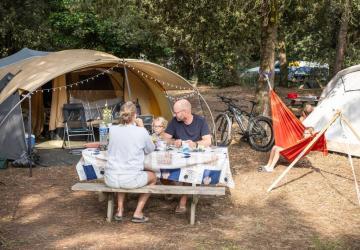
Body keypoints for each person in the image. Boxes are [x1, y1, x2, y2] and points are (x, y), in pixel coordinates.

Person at [104, 101, 157, 223]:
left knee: (121, 170)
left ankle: (120, 210)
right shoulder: (141, 131)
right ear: (135, 115)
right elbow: (150, 149)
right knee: (153, 177)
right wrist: (142, 127)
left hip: (110, 178)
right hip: (130, 179)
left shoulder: (112, 129)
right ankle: (138, 213)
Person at [163, 99, 212, 213]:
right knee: (162, 172)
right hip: (176, 157)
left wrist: (195, 144)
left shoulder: (200, 121)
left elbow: (208, 141)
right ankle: (174, 189)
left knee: (190, 171)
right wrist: (174, 141)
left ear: (184, 112)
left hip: (193, 158)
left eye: (176, 112)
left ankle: (183, 200)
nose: (174, 115)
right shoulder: (175, 121)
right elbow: (165, 137)